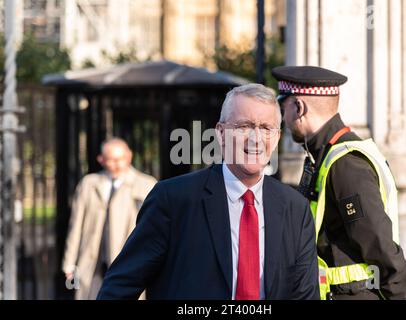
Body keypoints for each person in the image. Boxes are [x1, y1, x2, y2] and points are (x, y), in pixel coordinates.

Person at [97, 83, 320, 300]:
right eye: (244, 126)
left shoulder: (295, 209)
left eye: (266, 128)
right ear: (221, 134)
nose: (256, 139)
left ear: (277, 137)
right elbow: (120, 286)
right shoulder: (172, 200)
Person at [271, 65, 406, 300]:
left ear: (298, 107)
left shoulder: (345, 163)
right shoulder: (327, 156)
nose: (283, 119)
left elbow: (379, 243)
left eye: (282, 108)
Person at [62, 138, 157, 299]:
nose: (117, 164)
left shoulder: (146, 184)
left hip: (128, 260)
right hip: (92, 262)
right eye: (111, 160)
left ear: (129, 156)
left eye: (120, 159)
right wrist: (69, 262)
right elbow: (76, 225)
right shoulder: (89, 184)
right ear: (101, 160)